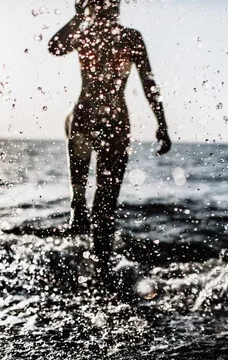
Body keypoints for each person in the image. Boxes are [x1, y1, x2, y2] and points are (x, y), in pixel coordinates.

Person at [48, 0, 171, 284]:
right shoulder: (85, 32)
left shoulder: (129, 37)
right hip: (90, 119)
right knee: (83, 207)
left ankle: (99, 269)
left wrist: (162, 123)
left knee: (104, 205)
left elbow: (148, 82)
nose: (107, 8)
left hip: (111, 123)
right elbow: (55, 47)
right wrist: (77, 19)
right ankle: (89, 267)